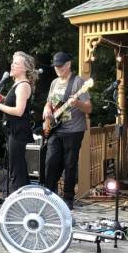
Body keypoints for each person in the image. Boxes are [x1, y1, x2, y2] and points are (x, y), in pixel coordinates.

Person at [43, 51, 92, 210]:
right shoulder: (54, 82)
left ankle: (68, 198)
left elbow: (89, 108)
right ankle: (49, 194)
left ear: (69, 64)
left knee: (70, 165)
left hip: (73, 130)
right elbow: (49, 102)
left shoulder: (78, 82)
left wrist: (77, 103)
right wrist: (46, 109)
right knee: (50, 162)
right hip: (55, 129)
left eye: (61, 66)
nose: (57, 69)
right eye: (56, 67)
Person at [0, 51, 38, 193]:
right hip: (13, 131)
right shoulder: (17, 84)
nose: (12, 65)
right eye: (12, 62)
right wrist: (3, 98)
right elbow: (14, 102)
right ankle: (17, 197)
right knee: (14, 167)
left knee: (18, 170)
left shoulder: (23, 85)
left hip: (18, 132)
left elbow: (19, 111)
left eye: (16, 63)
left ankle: (19, 198)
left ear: (24, 68)